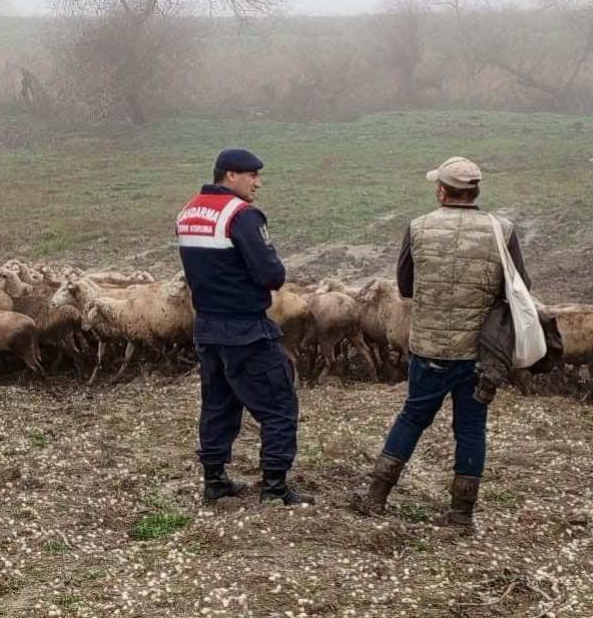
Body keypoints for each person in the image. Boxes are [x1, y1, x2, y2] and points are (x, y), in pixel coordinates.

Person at [353, 156, 530, 529]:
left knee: (413, 416)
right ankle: (461, 514)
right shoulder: (503, 229)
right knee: (470, 428)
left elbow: (404, 287)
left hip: (429, 349)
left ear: (441, 191)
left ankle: (375, 498)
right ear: (475, 191)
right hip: (479, 354)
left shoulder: (418, 228)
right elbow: (520, 288)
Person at [176, 148, 313, 506]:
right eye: (253, 175)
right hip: (246, 329)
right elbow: (272, 274)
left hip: (206, 326)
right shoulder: (242, 215)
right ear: (231, 176)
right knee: (280, 405)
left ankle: (215, 480)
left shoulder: (188, 212)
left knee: (218, 403)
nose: (258, 183)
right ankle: (275, 487)